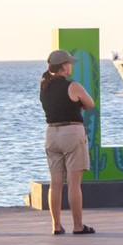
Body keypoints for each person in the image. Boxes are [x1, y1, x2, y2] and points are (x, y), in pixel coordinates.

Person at [40, 49, 97, 235]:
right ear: (64, 66)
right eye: (70, 63)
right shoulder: (73, 86)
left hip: (51, 133)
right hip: (71, 132)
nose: (71, 66)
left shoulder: (44, 86)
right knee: (74, 183)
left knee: (55, 183)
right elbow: (90, 104)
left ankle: (56, 225)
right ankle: (78, 225)